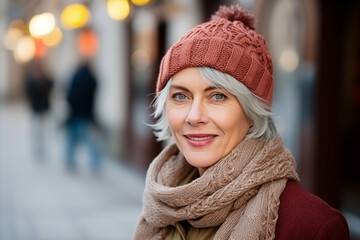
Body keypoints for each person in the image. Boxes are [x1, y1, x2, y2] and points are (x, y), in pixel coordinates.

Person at [134, 5, 350, 240]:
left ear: (251, 112)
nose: (194, 116)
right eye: (181, 96)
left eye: (218, 96)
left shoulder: (314, 227)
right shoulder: (160, 205)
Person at [65, 60, 101, 172]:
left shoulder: (75, 78)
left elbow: (70, 96)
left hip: (75, 114)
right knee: (90, 141)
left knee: (71, 141)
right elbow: (93, 99)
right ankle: (95, 164)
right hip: (87, 115)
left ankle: (70, 162)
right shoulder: (92, 79)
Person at [25, 60, 53, 159]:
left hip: (44, 109)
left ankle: (43, 150)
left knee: (44, 131)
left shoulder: (46, 80)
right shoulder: (31, 81)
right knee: (36, 131)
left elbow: (51, 85)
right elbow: (29, 92)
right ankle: (37, 150)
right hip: (36, 109)